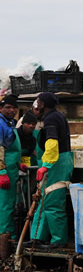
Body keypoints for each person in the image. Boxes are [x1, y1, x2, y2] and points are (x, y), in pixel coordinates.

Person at [29, 92, 74, 248]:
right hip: (55, 162)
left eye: (38, 101)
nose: (36, 104)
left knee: (54, 202)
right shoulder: (53, 117)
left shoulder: (52, 118)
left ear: (43, 104)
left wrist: (45, 165)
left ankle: (58, 241)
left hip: (57, 164)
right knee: (42, 201)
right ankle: (37, 237)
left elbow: (52, 143)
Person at [0, 95, 24, 239]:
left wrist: (18, 163)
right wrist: (2, 171)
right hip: (4, 172)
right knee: (5, 206)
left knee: (9, 204)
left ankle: (8, 233)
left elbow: (11, 148)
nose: (12, 110)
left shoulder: (10, 123)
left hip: (11, 169)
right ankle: (4, 236)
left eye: (14, 107)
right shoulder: (1, 123)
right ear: (1, 108)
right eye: (8, 107)